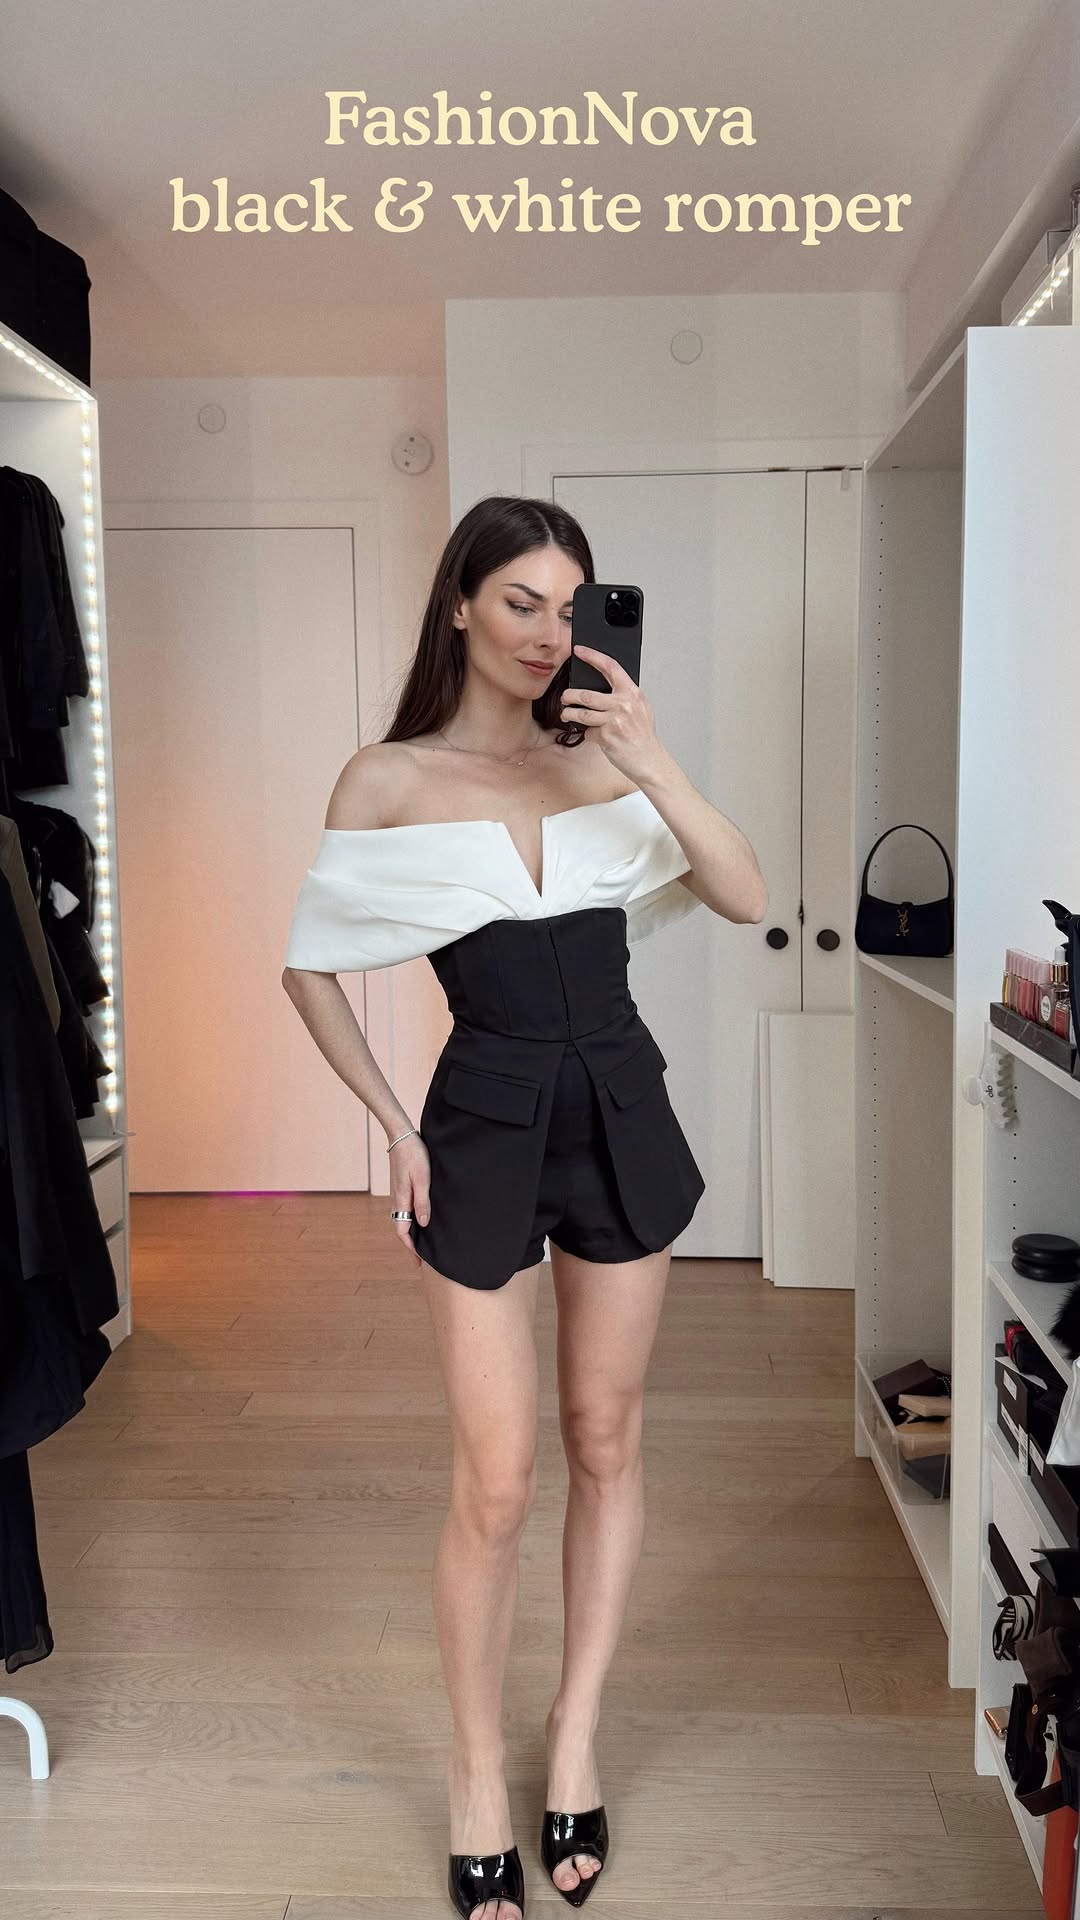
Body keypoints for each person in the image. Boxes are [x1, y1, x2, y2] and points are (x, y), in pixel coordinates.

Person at [281, 494, 768, 1919]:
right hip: (482, 1123)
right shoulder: (388, 778)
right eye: (522, 602)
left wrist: (651, 755)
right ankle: (474, 1776)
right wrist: (391, 1128)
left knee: (605, 1443)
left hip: (620, 1109)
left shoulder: (603, 762)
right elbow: (310, 966)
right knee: (495, 1484)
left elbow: (745, 893)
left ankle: (574, 1740)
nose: (552, 632)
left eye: (572, 605)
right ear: (460, 605)